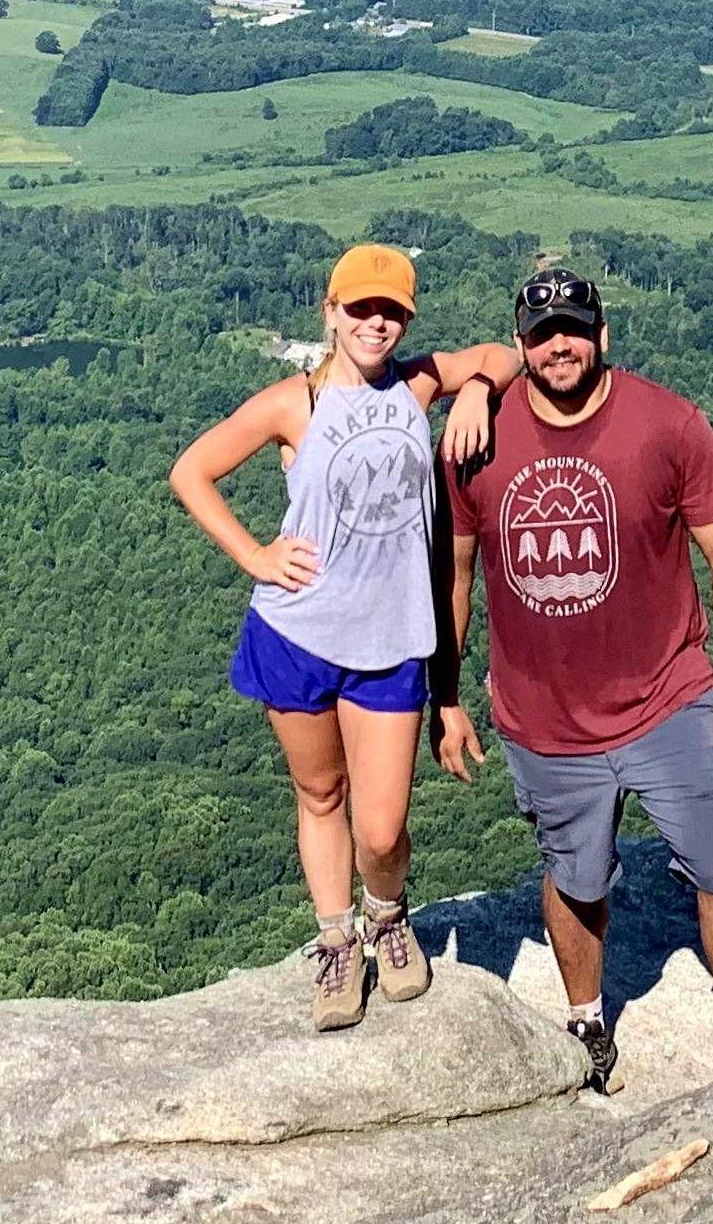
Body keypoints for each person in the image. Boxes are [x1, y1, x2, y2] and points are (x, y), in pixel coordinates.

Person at [432, 265, 713, 1091]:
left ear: (603, 335)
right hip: (543, 716)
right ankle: (585, 1022)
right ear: (518, 346)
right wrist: (443, 697)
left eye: (574, 330)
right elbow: (454, 578)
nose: (559, 347)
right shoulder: (475, 442)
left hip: (669, 695)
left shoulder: (668, 423)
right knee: (576, 877)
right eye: (542, 335)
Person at [169, 243, 521, 1033]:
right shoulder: (293, 402)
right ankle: (336, 940)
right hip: (297, 632)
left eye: (391, 310)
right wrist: (254, 553)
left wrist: (474, 390)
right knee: (320, 794)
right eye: (360, 307)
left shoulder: (419, 381)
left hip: (392, 638)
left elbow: (503, 355)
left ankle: (387, 916)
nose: (376, 323)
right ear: (329, 313)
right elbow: (191, 470)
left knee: (383, 824)